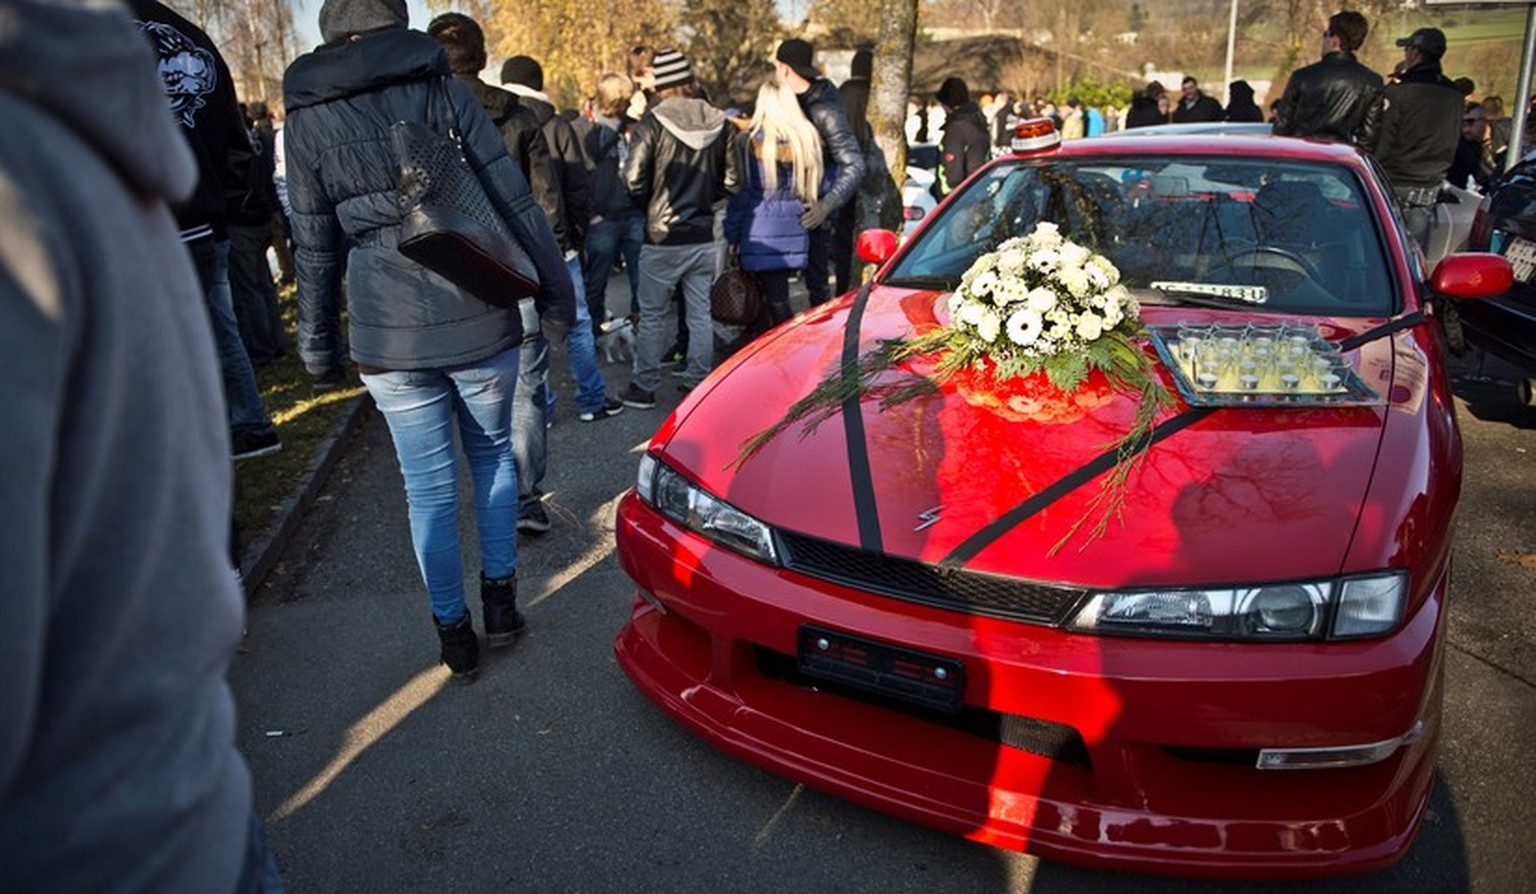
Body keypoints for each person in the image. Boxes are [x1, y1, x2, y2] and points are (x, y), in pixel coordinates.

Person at [0, 1, 283, 891]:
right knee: (199, 342)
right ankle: (250, 419)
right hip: (175, 790)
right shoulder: (153, 51)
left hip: (101, 838)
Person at [283, 0, 576, 678]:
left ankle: (454, 637)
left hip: (386, 327)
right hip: (473, 297)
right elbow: (513, 201)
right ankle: (501, 606)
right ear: (396, 19)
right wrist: (556, 293)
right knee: (495, 457)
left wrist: (318, 345)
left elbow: (313, 245)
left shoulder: (305, 115)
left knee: (428, 490)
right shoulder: (440, 85)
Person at [130, 0, 284, 460]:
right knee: (220, 327)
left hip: (152, 221)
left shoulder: (94, 32)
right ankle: (250, 425)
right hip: (204, 216)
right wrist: (222, 203)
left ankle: (196, 445)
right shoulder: (191, 34)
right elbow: (237, 139)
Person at [499, 55, 624, 425]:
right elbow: (578, 187)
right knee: (578, 323)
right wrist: (576, 236)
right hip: (560, 243)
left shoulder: (490, 120)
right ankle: (590, 399)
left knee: (527, 333)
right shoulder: (556, 125)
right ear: (538, 82)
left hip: (510, 248)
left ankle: (542, 409)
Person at [618, 48, 736, 407]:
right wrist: (703, 205)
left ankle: (644, 386)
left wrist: (651, 209)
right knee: (700, 313)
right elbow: (732, 180)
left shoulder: (652, 123)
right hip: (702, 235)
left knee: (653, 314)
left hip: (662, 235)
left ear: (664, 83)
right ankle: (696, 381)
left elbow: (632, 180)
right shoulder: (721, 122)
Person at [771, 37, 865, 307]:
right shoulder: (784, 102)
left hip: (814, 216)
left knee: (817, 293)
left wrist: (826, 205)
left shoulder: (823, 107)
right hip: (784, 212)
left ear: (785, 68)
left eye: (777, 67)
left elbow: (854, 164)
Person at [724, 81, 823, 330]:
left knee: (768, 300)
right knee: (778, 296)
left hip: (758, 225)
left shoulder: (752, 142)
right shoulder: (806, 138)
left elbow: (744, 192)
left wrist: (731, 233)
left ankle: (780, 348)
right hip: (795, 224)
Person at [1363, 27, 1464, 250]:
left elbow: (1382, 144)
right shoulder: (1455, 95)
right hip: (1430, 189)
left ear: (1416, 53)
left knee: (1382, 259)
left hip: (1394, 186)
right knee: (1414, 265)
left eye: (1407, 50)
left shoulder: (1400, 93)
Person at [575, 72, 647, 324]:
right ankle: (595, 331)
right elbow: (578, 173)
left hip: (633, 212)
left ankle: (641, 331)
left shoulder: (634, 126)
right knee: (596, 282)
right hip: (602, 218)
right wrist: (591, 213)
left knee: (643, 281)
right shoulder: (583, 128)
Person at [229, 100, 289, 368]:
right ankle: (276, 342)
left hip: (243, 219)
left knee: (251, 288)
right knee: (263, 282)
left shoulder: (231, 145)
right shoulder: (259, 139)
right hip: (261, 214)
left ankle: (263, 348)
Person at [1272, 10, 1383, 143]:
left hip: (1302, 153)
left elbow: (1282, 126)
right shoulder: (1372, 82)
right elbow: (1369, 137)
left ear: (1334, 40)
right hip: (1342, 156)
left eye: (1325, 35)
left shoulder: (1303, 76)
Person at [933, 76, 989, 197]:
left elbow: (953, 174)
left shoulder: (956, 129)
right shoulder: (977, 122)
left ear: (948, 104)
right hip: (978, 191)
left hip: (959, 200)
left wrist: (945, 196)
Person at [1448, 102, 1494, 191]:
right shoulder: (1462, 146)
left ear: (1485, 121)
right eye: (1462, 124)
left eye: (1470, 122)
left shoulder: (1510, 133)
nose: (1465, 129)